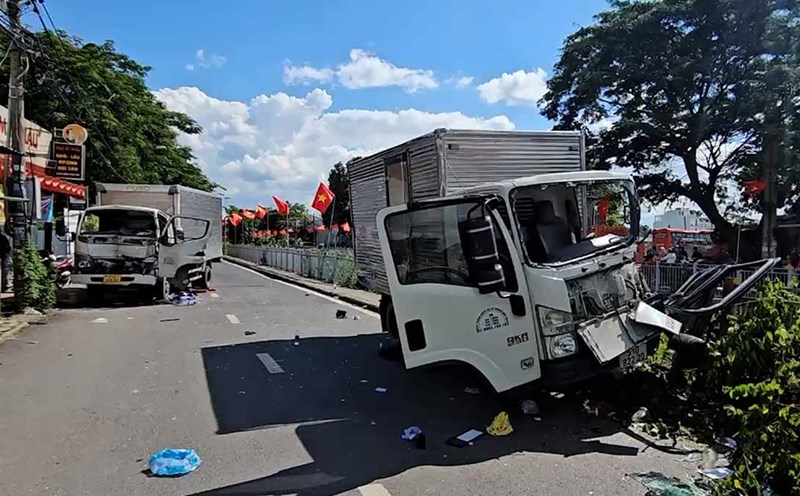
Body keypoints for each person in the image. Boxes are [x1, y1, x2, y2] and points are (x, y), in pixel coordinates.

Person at [0, 225, 12, 292]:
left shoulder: (3, 237)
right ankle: (4, 285)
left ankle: (5, 284)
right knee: (5, 269)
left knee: (5, 268)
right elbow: (8, 248)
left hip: (4, 253)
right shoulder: (3, 237)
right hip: (4, 254)